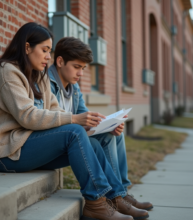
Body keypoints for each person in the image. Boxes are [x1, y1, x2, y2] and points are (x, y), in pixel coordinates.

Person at [0, 22, 148, 220]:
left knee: (93, 139)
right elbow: (28, 116)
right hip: (5, 152)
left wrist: (90, 123)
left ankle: (115, 198)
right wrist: (74, 119)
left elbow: (55, 111)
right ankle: (95, 203)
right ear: (26, 47)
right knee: (73, 132)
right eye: (45, 50)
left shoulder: (37, 75)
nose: (48, 56)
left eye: (49, 51)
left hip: (26, 145)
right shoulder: (7, 71)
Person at [49, 37, 153, 211]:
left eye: (83, 68)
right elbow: (48, 120)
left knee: (114, 135)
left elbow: (85, 116)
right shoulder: (46, 83)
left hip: (71, 137)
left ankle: (122, 193)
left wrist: (107, 124)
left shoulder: (74, 88)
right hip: (55, 143)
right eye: (76, 67)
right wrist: (78, 121)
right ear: (60, 61)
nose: (81, 74)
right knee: (94, 142)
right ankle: (115, 196)